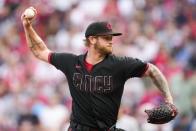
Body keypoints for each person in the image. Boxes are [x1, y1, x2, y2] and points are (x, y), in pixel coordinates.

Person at [21, 7, 175, 131]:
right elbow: (40, 51)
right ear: (92, 39)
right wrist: (27, 27)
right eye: (106, 38)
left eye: (111, 38)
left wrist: (168, 99)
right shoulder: (72, 62)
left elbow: (153, 71)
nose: (111, 41)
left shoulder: (119, 64)